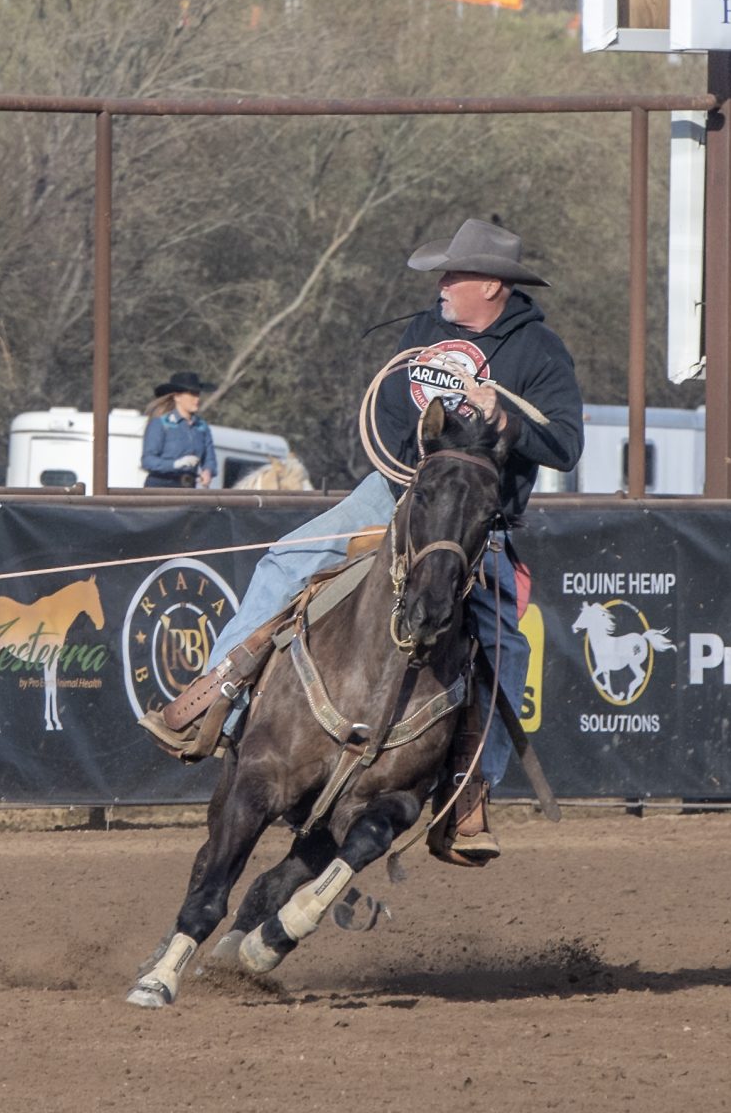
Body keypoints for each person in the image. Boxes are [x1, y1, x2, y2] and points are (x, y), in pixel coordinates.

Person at [157, 217, 582, 863]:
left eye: (454, 275)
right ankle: (215, 699)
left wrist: (501, 419)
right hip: (393, 493)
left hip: (473, 520)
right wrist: (429, 435)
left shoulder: (538, 351)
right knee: (285, 562)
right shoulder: (422, 334)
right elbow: (386, 414)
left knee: (504, 642)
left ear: (492, 285)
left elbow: (566, 443)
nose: (441, 285)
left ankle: (468, 795)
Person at [140, 371, 218, 489]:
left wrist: (208, 472)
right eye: (192, 394)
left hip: (188, 487)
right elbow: (148, 460)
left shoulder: (202, 427)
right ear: (177, 397)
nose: (197, 399)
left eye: (197, 394)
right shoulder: (160, 424)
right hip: (160, 488)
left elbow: (210, 459)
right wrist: (175, 464)